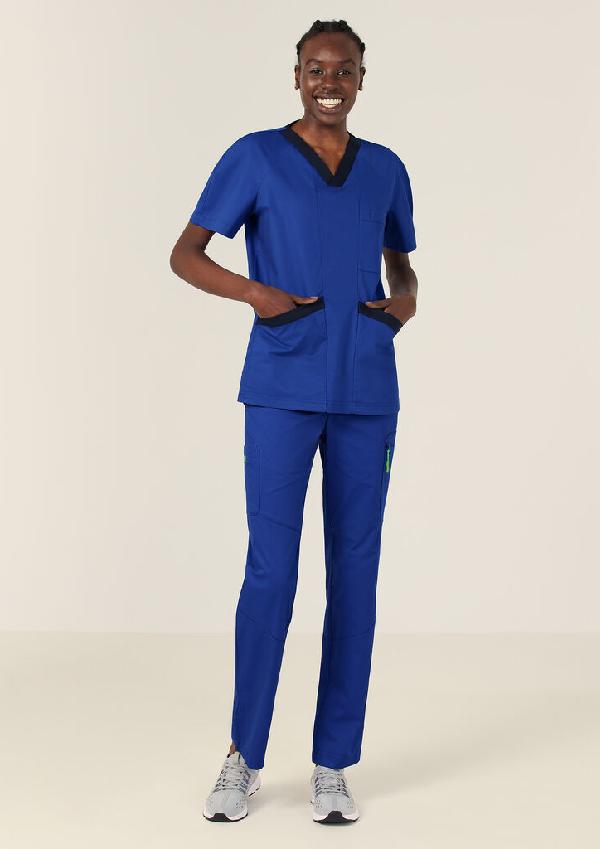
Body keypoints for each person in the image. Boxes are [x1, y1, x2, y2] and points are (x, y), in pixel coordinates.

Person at [169, 18, 418, 825]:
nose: (329, 82)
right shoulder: (256, 156)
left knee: (355, 575)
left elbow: (401, 261)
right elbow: (186, 253)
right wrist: (258, 294)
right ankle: (242, 755)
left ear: (361, 79)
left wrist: (404, 301)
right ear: (298, 75)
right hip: (282, 385)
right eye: (317, 68)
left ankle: (333, 763)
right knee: (272, 573)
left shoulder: (385, 168)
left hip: (367, 392)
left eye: (344, 70)